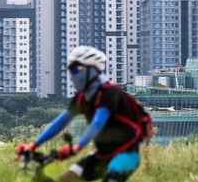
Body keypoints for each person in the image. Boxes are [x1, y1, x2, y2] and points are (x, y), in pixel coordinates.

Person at [16, 46, 145, 182]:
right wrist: (33, 145)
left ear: (92, 71)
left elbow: (98, 122)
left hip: (126, 154)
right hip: (102, 155)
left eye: (76, 69)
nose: (72, 74)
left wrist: (77, 147)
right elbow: (61, 122)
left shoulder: (109, 92)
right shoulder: (82, 97)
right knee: (66, 179)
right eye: (70, 70)